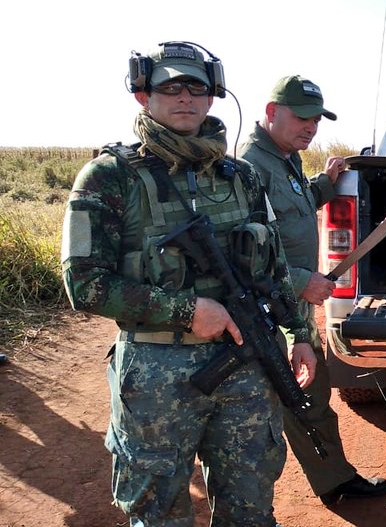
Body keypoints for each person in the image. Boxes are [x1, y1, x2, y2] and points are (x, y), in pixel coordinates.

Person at [61, 42, 318, 526]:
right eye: (170, 87)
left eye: (196, 87)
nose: (185, 98)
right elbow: (84, 283)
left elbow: (275, 270)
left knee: (250, 508)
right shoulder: (109, 177)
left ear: (214, 94)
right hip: (156, 373)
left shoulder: (241, 177)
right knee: (159, 514)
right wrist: (184, 310)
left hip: (247, 366)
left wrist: (301, 335)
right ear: (143, 94)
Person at [237, 75, 386, 506]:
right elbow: (240, 250)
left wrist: (323, 184)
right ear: (271, 113)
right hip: (266, 313)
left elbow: (289, 209)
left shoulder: (282, 159)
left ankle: (335, 480)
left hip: (292, 310)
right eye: (301, 117)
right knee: (273, 410)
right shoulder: (249, 167)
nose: (310, 127)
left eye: (316, 120)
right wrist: (303, 281)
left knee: (311, 395)